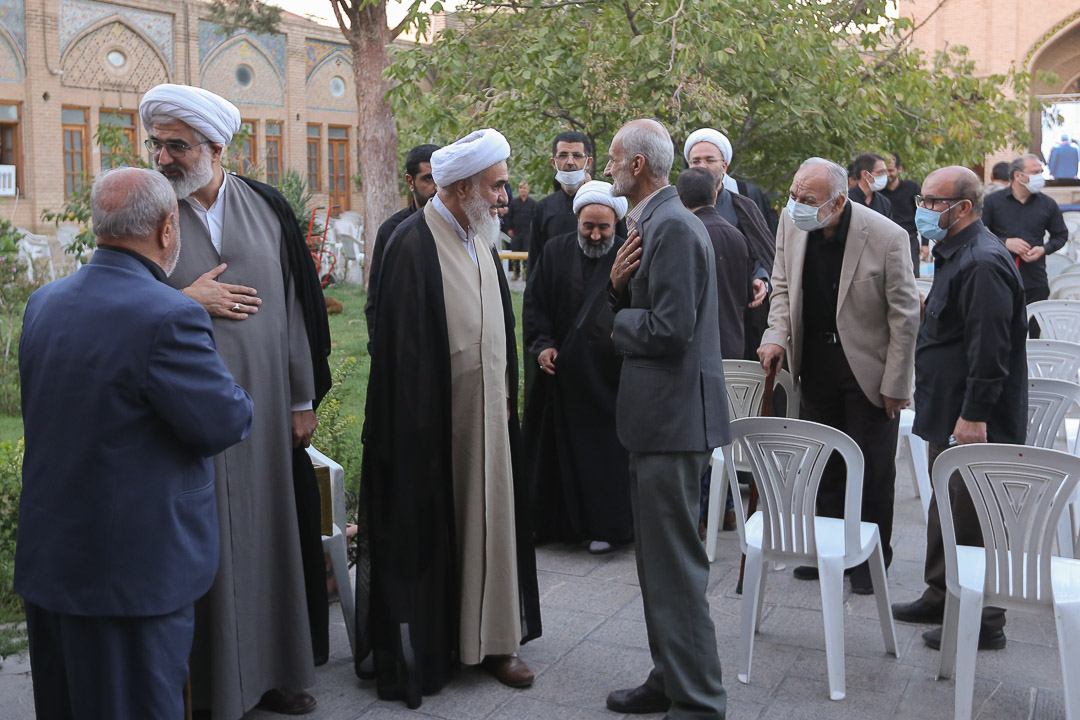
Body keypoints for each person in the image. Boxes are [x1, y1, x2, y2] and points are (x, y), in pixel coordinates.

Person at [16, 167, 254, 720]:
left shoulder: (44, 302)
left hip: (53, 561)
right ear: (168, 229)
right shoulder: (170, 315)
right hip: (134, 576)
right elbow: (222, 421)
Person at [139, 83, 333, 719]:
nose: (162, 157)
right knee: (203, 545)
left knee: (269, 536)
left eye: (176, 146)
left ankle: (278, 673)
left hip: (267, 408)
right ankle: (207, 688)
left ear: (215, 148)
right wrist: (184, 299)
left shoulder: (266, 206)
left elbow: (298, 307)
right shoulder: (146, 210)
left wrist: (301, 398)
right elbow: (117, 297)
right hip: (184, 414)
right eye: (157, 144)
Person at [357, 128, 542, 709]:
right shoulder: (412, 244)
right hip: (434, 430)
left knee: (496, 525)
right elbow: (400, 358)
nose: (503, 197)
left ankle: (497, 641)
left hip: (490, 419)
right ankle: (438, 646)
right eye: (495, 186)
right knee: (440, 530)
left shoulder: (481, 239)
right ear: (462, 188)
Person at [603, 119, 729, 720]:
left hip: (674, 423)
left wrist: (615, 318)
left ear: (637, 166)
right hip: (658, 421)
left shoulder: (673, 227)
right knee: (658, 564)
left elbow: (671, 329)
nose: (605, 168)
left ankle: (699, 700)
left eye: (612, 158)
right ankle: (670, 677)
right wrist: (618, 290)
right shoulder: (654, 223)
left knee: (675, 568)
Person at [758, 157, 920, 594]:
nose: (797, 204)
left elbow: (905, 316)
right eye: (793, 195)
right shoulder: (792, 221)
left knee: (871, 466)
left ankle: (869, 560)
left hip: (868, 366)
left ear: (838, 202)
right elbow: (782, 285)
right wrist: (775, 336)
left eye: (808, 199)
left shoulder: (886, 236)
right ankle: (827, 550)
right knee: (824, 461)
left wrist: (897, 383)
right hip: (815, 360)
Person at [891, 166, 1028, 651]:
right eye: (923, 200)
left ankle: (984, 620)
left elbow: (989, 349)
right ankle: (940, 594)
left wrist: (975, 415)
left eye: (932, 202)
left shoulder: (982, 262)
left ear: (963, 207)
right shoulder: (955, 252)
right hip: (945, 407)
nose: (922, 209)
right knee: (947, 503)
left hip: (971, 418)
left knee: (974, 514)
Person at [525, 180, 633, 555]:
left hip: (607, 381)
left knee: (603, 458)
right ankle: (550, 525)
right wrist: (542, 345)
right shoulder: (554, 251)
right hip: (558, 378)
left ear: (616, 223)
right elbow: (535, 305)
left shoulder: (627, 254)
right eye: (588, 226)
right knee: (551, 456)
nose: (596, 235)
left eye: (603, 227)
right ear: (577, 221)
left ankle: (605, 527)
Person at [678, 166, 766, 535]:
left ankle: (700, 515)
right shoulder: (736, 235)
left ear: (680, 199)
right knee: (723, 430)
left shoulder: (687, 233)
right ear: (716, 194)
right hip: (733, 342)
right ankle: (727, 508)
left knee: (699, 434)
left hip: (701, 347)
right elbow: (746, 295)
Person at [683, 127, 775, 361]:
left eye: (709, 160)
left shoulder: (743, 206)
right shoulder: (676, 205)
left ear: (724, 166)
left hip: (736, 312)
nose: (702, 166)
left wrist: (760, 278)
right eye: (696, 161)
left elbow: (761, 253)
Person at [365, 143, 440, 347]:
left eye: (441, 177)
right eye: (428, 179)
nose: (436, 187)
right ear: (410, 181)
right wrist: (378, 348)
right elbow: (377, 299)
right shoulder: (391, 231)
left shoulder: (461, 228)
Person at [983, 154, 1069, 303]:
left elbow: (1061, 235)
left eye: (1041, 172)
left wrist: (1044, 249)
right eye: (1035, 172)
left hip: (1034, 278)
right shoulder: (992, 201)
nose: (1040, 177)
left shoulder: (1048, 204)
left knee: (1035, 316)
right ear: (1018, 175)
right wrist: (1005, 242)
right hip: (998, 275)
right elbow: (980, 234)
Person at [879, 152, 923, 274]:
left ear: (899, 169)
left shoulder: (912, 188)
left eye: (890, 170)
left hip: (909, 240)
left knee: (913, 276)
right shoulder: (877, 194)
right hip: (885, 242)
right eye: (884, 171)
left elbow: (921, 214)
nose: (887, 174)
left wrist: (925, 244)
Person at [505, 180, 537, 279]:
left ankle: (526, 274)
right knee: (515, 254)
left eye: (525, 188)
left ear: (528, 190)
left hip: (528, 233)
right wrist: (509, 229)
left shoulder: (533, 203)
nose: (523, 190)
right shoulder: (513, 203)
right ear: (519, 190)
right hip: (516, 233)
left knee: (527, 255)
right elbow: (508, 217)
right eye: (521, 188)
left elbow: (537, 218)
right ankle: (516, 273)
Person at [848, 152, 893, 219]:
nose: (886, 175)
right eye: (881, 172)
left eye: (885, 171)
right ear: (865, 174)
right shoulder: (847, 199)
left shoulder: (884, 202)